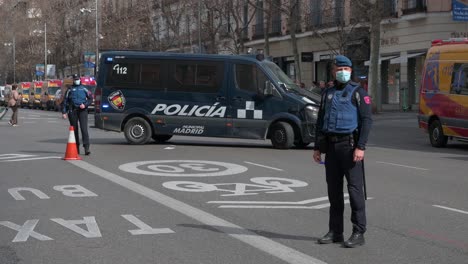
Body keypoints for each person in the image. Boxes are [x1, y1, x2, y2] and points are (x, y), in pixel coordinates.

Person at [313, 55, 372, 248]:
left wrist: (361, 147)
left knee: (355, 191)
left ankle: (358, 232)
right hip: (331, 147)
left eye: (346, 69)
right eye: (339, 69)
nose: (343, 72)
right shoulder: (327, 93)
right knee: (334, 192)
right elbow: (321, 121)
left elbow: (367, 121)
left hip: (350, 147)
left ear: (350, 71)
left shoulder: (358, 92)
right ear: (333, 71)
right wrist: (317, 147)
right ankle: (335, 231)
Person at [61, 74, 92, 155]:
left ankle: (86, 148)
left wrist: (85, 105)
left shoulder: (84, 89)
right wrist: (64, 112)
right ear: (73, 80)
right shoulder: (70, 89)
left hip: (82, 110)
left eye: (77, 79)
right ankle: (76, 148)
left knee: (84, 129)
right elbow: (65, 101)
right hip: (73, 111)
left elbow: (90, 98)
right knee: (74, 130)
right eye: (75, 79)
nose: (76, 80)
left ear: (80, 79)